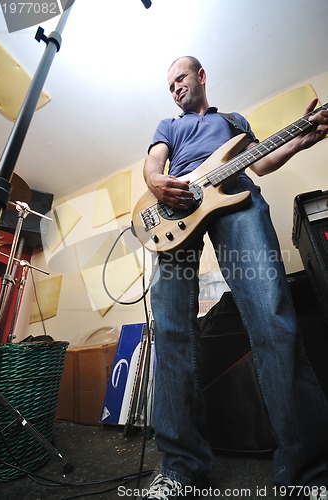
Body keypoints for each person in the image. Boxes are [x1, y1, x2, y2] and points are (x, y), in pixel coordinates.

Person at [140, 56, 328, 499]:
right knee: (170, 331)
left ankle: (306, 473)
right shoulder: (169, 124)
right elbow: (154, 163)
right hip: (177, 212)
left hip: (237, 197)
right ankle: (181, 471)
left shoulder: (234, 121)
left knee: (273, 319)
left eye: (181, 78)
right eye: (170, 85)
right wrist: (154, 182)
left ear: (201, 76)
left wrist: (299, 141)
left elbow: (260, 164)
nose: (175, 89)